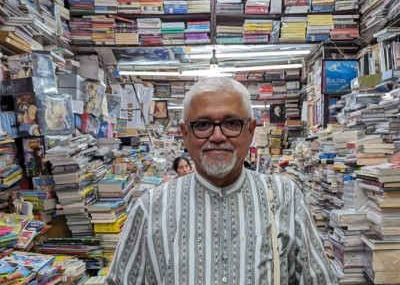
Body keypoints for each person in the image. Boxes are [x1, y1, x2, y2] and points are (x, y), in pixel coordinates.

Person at [106, 77, 338, 285]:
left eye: (231, 124)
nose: (217, 136)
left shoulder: (285, 197)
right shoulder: (150, 208)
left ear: (250, 130)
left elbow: (318, 278)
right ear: (185, 134)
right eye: (203, 125)